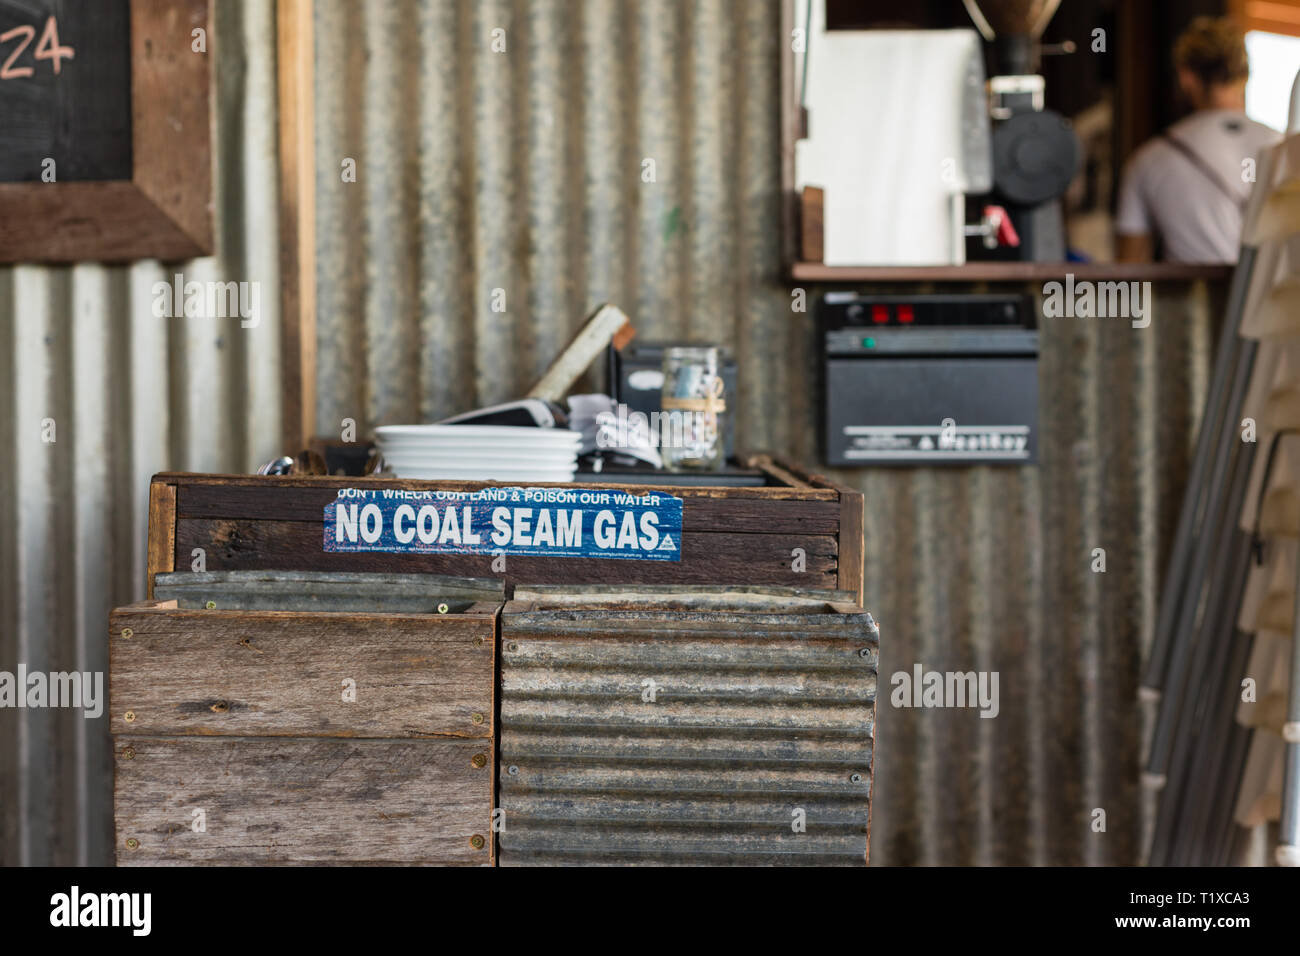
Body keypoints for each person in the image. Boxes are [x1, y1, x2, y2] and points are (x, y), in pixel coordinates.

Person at [1116, 17, 1278, 263]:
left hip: (1192, 298)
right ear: (1245, 74)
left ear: (1186, 77)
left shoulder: (1148, 159)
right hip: (1277, 298)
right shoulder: (1284, 146)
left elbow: (1129, 270)